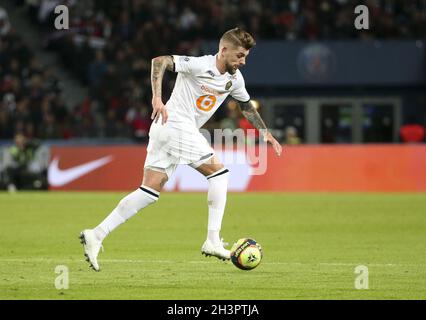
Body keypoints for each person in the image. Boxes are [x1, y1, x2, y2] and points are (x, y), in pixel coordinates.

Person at [79, 27, 282, 271]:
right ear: (224, 50)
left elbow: (246, 106)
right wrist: (157, 98)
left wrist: (265, 132)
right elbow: (159, 61)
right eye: (239, 55)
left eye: (246, 56)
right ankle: (213, 240)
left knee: (148, 192)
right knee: (219, 174)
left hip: (167, 130)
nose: (243, 61)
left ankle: (97, 234)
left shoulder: (235, 79)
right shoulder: (199, 65)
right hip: (175, 124)